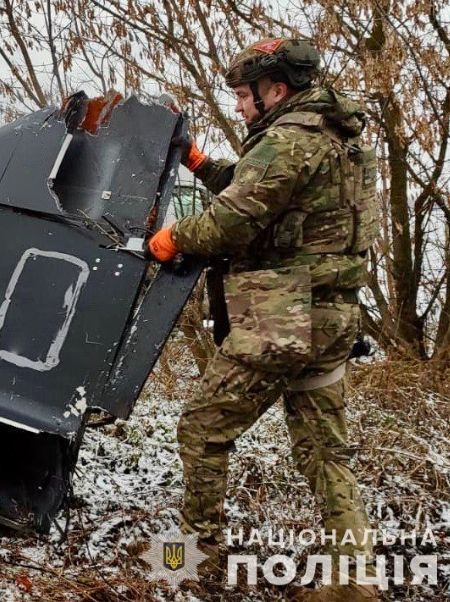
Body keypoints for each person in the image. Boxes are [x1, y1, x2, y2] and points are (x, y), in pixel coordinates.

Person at [146, 39, 379, 602]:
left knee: (202, 430)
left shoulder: (287, 140)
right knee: (326, 451)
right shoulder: (338, 139)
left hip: (281, 323)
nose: (240, 106)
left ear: (276, 89)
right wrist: (201, 164)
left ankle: (193, 561)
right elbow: (266, 193)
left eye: (244, 95)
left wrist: (173, 237)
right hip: (332, 320)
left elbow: (233, 223)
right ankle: (353, 579)